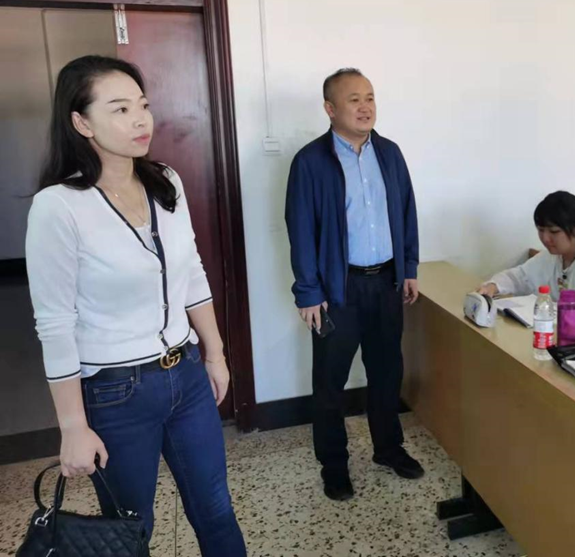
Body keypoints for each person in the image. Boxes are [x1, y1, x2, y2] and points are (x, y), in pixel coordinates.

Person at [25, 56, 245, 555]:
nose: (141, 120)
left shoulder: (165, 181)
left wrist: (214, 354)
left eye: (143, 106)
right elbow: (55, 325)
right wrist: (73, 427)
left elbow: (191, 272)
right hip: (115, 392)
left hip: (186, 373)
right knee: (130, 528)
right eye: (120, 109)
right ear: (81, 122)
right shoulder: (59, 206)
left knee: (216, 508)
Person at [285, 68, 422, 501]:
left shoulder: (390, 154)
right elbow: (300, 229)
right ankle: (334, 466)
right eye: (354, 100)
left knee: (386, 372)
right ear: (330, 109)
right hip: (336, 289)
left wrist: (409, 268)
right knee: (330, 382)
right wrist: (309, 292)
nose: (365, 107)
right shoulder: (311, 161)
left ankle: (388, 449)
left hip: (386, 283)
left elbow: (407, 213)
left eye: (370, 98)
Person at [477, 191, 575, 336]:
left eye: (554, 232)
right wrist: (493, 286)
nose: (545, 238)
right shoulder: (553, 256)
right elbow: (521, 276)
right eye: (541, 230)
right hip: (559, 335)